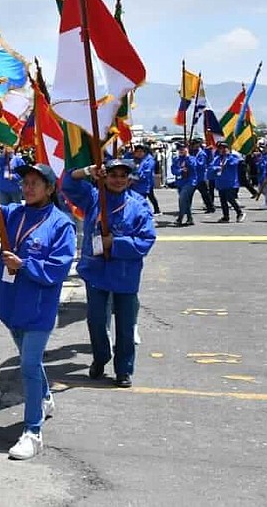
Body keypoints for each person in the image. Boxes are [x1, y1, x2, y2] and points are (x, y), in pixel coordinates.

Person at [0, 162, 75, 460]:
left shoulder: (60, 224)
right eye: (25, 183)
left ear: (49, 188)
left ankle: (33, 431)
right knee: (28, 361)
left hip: (38, 309)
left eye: (35, 183)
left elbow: (58, 268)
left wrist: (25, 265)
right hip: (10, 303)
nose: (28, 188)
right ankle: (44, 397)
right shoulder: (15, 212)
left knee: (29, 365)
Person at [63, 159, 156, 387]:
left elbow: (146, 239)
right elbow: (67, 183)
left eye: (123, 176)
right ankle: (100, 357)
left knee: (125, 325)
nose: (118, 180)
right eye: (113, 175)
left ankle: (124, 369)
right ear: (104, 177)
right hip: (96, 272)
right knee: (96, 321)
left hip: (125, 274)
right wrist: (87, 170)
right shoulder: (94, 198)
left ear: (129, 179)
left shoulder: (138, 205)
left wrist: (113, 243)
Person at [208, 141, 245, 223]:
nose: (223, 150)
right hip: (220, 182)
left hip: (230, 182)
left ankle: (239, 212)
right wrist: (217, 168)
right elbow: (211, 167)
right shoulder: (217, 158)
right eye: (221, 148)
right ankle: (226, 216)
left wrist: (226, 162)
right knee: (223, 200)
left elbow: (235, 163)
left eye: (225, 148)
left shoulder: (233, 157)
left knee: (230, 198)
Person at [171, 142, 200, 226]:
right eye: (180, 149)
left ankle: (180, 218)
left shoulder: (192, 158)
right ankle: (190, 218)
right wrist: (180, 171)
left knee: (182, 198)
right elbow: (173, 170)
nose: (181, 150)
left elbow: (193, 166)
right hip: (180, 182)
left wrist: (187, 157)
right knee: (186, 201)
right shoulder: (176, 160)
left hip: (190, 182)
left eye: (183, 149)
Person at [131, 145, 160, 215]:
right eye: (137, 151)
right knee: (138, 202)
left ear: (144, 152)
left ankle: (150, 213)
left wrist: (133, 177)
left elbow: (145, 174)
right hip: (136, 186)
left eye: (140, 151)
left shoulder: (148, 161)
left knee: (141, 202)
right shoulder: (138, 160)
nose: (138, 153)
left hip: (144, 185)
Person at [189, 138, 216, 213]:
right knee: (189, 193)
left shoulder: (201, 154)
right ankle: (186, 207)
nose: (193, 146)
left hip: (200, 177)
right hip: (193, 177)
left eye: (195, 144)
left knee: (205, 194)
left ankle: (210, 207)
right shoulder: (192, 152)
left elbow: (201, 164)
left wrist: (191, 161)